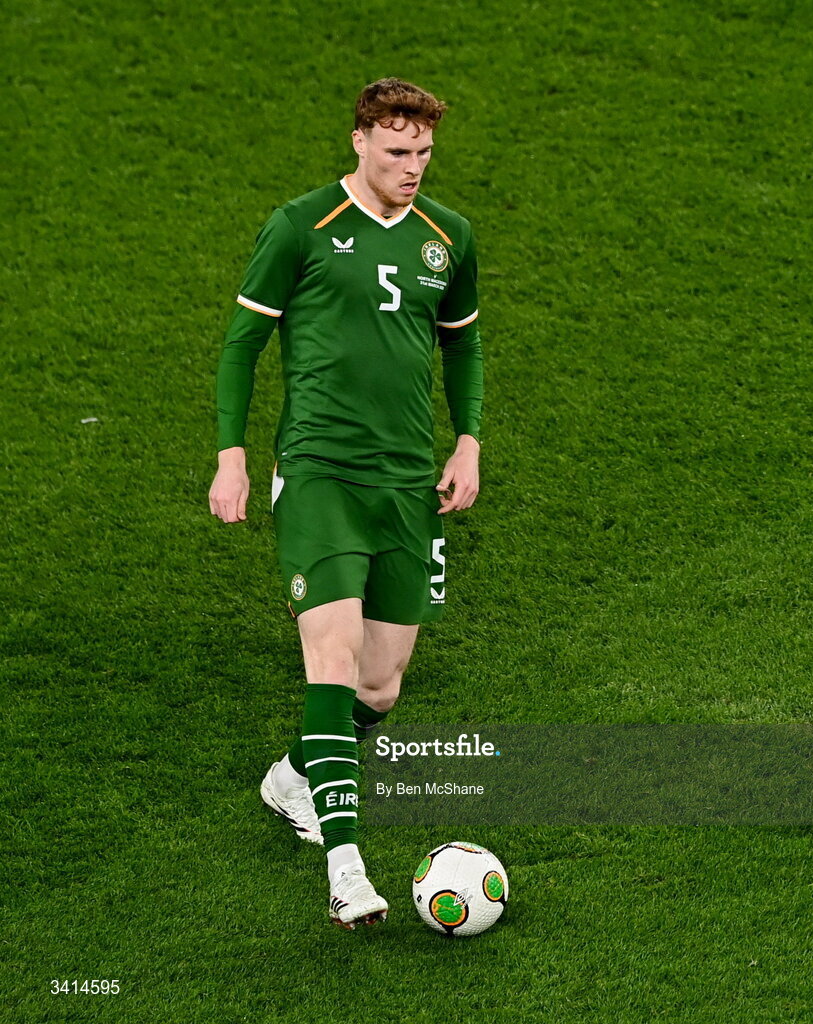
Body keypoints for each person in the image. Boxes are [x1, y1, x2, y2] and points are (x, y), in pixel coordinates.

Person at [208, 78, 483, 929]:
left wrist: (467, 440)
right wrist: (233, 456)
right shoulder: (301, 226)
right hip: (321, 474)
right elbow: (242, 342)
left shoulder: (448, 236)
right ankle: (345, 864)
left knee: (379, 683)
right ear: (359, 140)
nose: (411, 167)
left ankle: (292, 776)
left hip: (406, 485)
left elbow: (462, 347)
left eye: (423, 153)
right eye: (396, 151)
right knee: (327, 661)